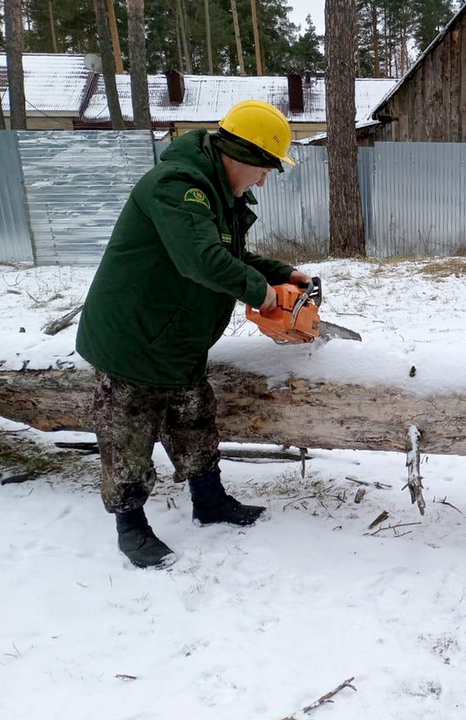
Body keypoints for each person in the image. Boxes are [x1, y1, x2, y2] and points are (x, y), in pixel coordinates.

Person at [76, 100, 311, 569]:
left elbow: (229, 252)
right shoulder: (179, 187)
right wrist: (261, 295)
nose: (264, 181)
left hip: (178, 336)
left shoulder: (219, 194)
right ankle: (132, 528)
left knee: (194, 417)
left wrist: (283, 273)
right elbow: (201, 259)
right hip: (135, 337)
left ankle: (210, 500)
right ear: (240, 156)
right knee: (127, 435)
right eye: (264, 169)